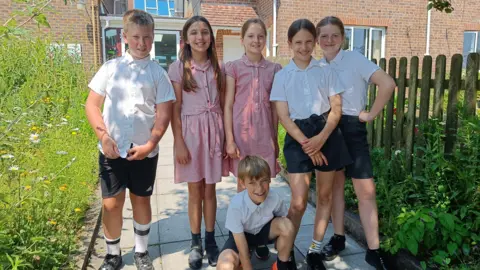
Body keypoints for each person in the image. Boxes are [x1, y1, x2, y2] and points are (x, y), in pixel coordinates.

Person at [85, 9, 175, 270]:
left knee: (141, 199)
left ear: (153, 36)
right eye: (136, 37)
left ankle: (141, 251)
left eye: (147, 37)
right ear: (125, 36)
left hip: (143, 151)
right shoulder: (110, 68)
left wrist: (151, 144)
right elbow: (91, 105)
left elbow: (164, 115)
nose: (142, 43)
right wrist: (103, 136)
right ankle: (112, 254)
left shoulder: (158, 73)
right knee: (111, 203)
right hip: (111, 149)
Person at [270, 18, 351, 270]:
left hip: (326, 132)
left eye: (308, 41)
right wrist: (308, 144)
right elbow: (283, 116)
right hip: (298, 138)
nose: (304, 47)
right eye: (298, 42)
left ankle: (314, 249)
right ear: (289, 44)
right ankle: (285, 251)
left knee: (325, 196)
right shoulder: (282, 76)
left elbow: (336, 110)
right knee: (298, 202)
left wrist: (320, 140)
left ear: (314, 42)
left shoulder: (326, 71)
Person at [315, 16, 396, 270]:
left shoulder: (355, 60)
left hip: (351, 126)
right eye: (324, 36)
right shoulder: (316, 66)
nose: (329, 40)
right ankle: (338, 238)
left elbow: (387, 83)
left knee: (366, 191)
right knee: (335, 187)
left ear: (343, 37)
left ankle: (374, 250)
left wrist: (370, 115)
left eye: (334, 35)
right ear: (318, 39)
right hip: (328, 128)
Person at [168, 15, 226, 269]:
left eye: (204, 32)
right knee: (194, 191)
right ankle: (195, 243)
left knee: (210, 190)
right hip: (191, 135)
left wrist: (225, 138)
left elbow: (223, 105)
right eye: (194, 32)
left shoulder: (218, 67)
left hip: (213, 131)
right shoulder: (178, 68)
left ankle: (211, 240)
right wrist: (178, 142)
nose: (200, 37)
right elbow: (175, 108)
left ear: (211, 37)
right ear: (186, 38)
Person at [223, 18, 283, 260]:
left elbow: (275, 108)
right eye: (251, 36)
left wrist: (275, 139)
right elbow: (227, 105)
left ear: (265, 40)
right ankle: (243, 236)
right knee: (244, 186)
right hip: (242, 134)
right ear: (242, 39)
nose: (256, 40)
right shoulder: (233, 67)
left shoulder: (275, 70)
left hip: (264, 134)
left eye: (260, 36)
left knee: (263, 185)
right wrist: (229, 138)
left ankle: (260, 235)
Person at [216, 156, 297, 270]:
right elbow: (240, 240)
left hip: (263, 233)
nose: (259, 188)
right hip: (242, 236)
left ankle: (281, 265)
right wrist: (246, 263)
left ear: (269, 179)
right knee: (225, 266)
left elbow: (284, 222)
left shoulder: (275, 198)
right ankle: (238, 263)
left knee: (287, 225)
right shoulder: (236, 205)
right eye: (252, 183)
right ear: (242, 183)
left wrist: (284, 245)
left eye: (263, 181)